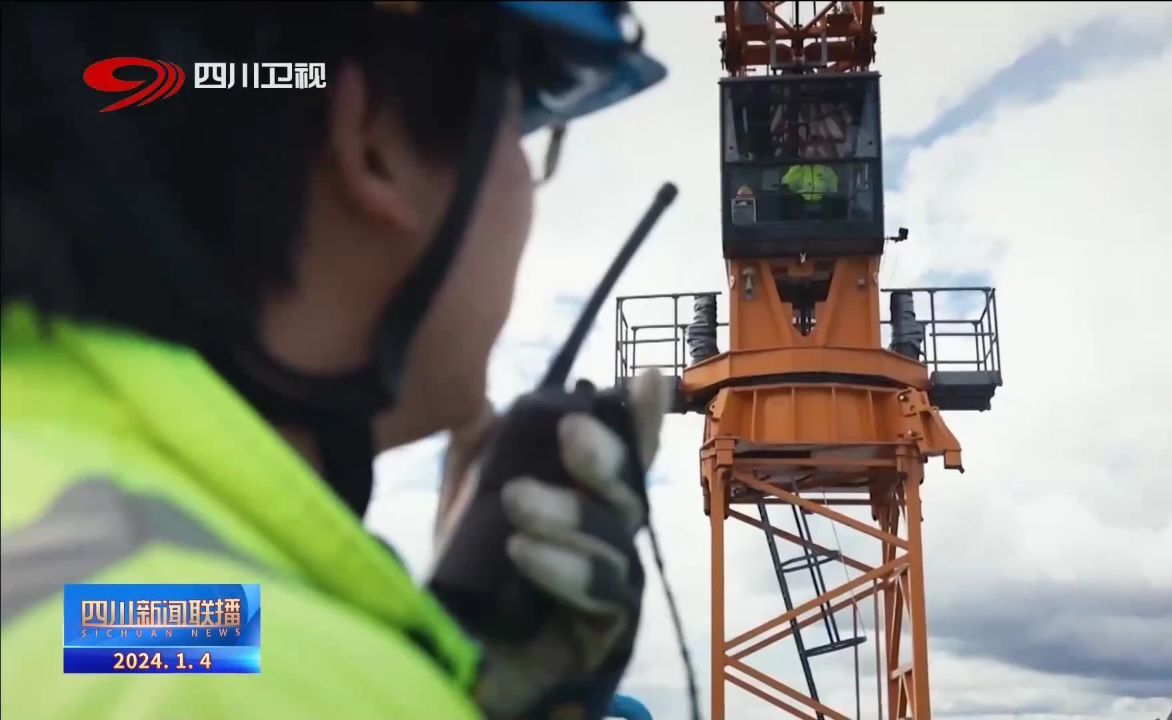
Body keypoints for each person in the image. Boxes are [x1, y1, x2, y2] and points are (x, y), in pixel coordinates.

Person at [1, 3, 670, 719]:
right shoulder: (276, 687)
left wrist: (438, 665)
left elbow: (131, 628)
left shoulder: (103, 573)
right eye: (525, 126)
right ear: (374, 140)